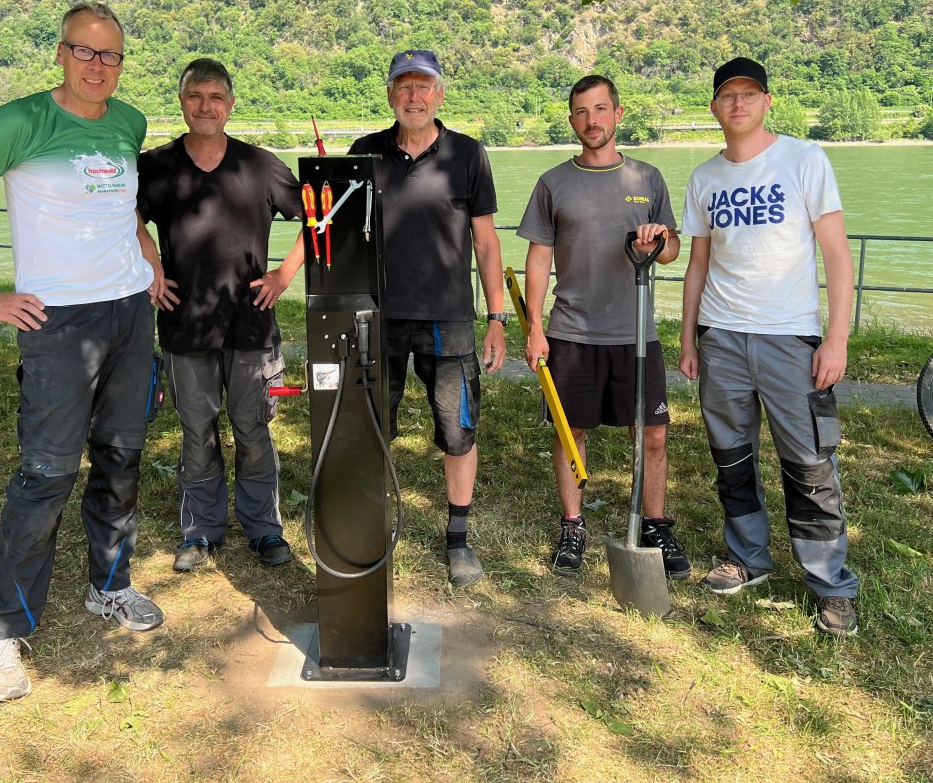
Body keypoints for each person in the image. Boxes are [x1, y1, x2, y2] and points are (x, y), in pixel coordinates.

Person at [0, 2, 167, 703]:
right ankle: (2, 633)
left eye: (110, 55)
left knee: (120, 455)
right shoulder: (17, 122)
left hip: (129, 313)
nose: (97, 65)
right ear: (60, 52)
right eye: (84, 51)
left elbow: (125, 207)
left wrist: (148, 261)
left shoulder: (129, 122)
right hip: (57, 322)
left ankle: (109, 585)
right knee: (47, 473)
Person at [679, 56, 860, 637]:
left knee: (809, 464)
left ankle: (830, 584)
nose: (738, 103)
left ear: (766, 101)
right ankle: (748, 558)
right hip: (721, 338)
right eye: (727, 95)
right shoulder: (704, 178)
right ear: (714, 106)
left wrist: (836, 337)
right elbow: (698, 264)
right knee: (732, 459)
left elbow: (836, 253)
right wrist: (689, 337)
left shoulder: (804, 160)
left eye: (749, 93)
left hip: (790, 339)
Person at [516, 75, 689, 578]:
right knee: (571, 433)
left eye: (599, 109)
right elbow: (537, 259)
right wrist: (534, 327)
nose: (591, 120)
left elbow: (673, 250)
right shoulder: (553, 183)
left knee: (652, 435)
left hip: (637, 334)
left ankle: (654, 524)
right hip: (572, 333)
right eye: (581, 111)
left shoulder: (647, 178)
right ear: (572, 119)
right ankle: (573, 524)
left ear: (617, 113)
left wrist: (656, 243)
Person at [137, 58, 305, 573]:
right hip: (184, 322)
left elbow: (320, 217)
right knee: (197, 432)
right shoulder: (155, 166)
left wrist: (283, 276)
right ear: (182, 102)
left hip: (251, 323)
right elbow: (124, 217)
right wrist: (151, 263)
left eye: (215, 97)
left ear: (230, 105)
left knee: (253, 430)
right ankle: (201, 530)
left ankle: (263, 528)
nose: (205, 106)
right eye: (195, 96)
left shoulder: (261, 165)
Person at [348, 49, 506, 587]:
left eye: (423, 86)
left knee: (458, 431)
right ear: (390, 93)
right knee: (371, 428)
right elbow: (339, 231)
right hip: (377, 316)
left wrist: (497, 316)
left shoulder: (468, 154)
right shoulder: (364, 152)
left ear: (439, 94)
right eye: (404, 86)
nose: (413, 97)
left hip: (449, 318)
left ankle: (457, 537)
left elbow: (486, 243)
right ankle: (368, 530)